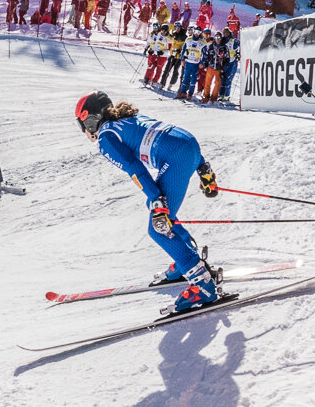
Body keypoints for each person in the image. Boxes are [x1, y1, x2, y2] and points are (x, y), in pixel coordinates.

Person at [75, 92, 222, 310]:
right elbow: (175, 139)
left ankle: (202, 285)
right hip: (189, 145)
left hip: (176, 158)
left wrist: (156, 200)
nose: (84, 131)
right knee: (160, 211)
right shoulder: (124, 120)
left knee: (158, 227)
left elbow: (134, 168)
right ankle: (185, 263)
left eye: (82, 124)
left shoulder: (106, 136)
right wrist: (203, 169)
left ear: (90, 118)